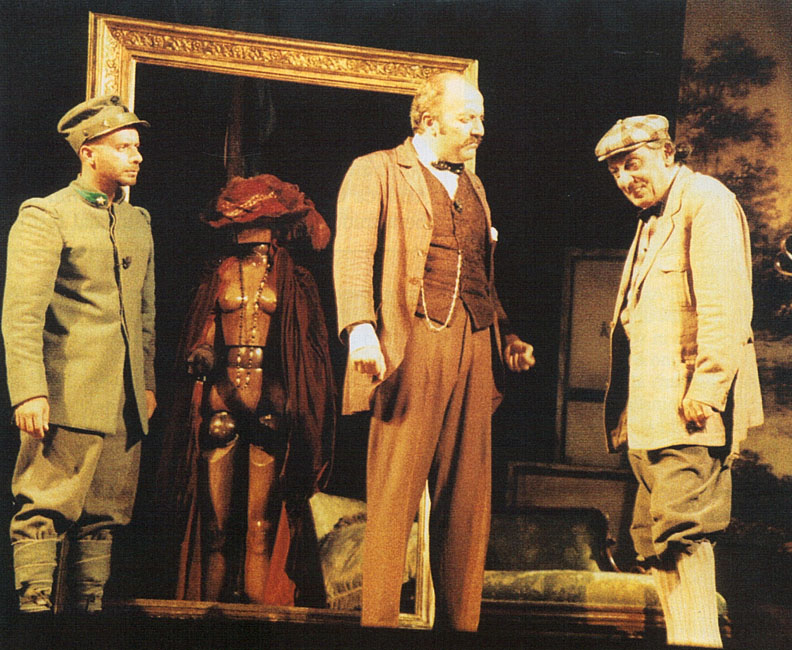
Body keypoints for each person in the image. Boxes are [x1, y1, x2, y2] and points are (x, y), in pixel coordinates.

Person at [333, 71, 535, 631]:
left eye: (481, 118)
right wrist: (360, 330)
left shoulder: (475, 186)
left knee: (468, 503)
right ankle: (379, 627)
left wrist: (507, 335)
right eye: (467, 118)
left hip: (475, 344)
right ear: (427, 120)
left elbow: (480, 273)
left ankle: (459, 628)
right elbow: (353, 256)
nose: (480, 129)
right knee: (395, 495)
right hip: (412, 340)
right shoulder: (376, 170)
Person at [597, 115, 763, 647]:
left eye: (634, 163)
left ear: (668, 152)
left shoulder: (705, 200)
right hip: (652, 415)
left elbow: (725, 306)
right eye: (616, 171)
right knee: (655, 542)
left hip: (688, 411)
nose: (626, 179)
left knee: (684, 535)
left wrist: (707, 390)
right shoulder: (652, 218)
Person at [2, 95, 157, 613]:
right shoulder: (47, 215)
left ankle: (87, 616)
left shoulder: (137, 222)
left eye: (137, 146)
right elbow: (21, 314)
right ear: (89, 153)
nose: (137, 156)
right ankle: (34, 614)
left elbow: (145, 316)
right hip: (66, 395)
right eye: (124, 147)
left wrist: (146, 384)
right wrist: (29, 391)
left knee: (104, 517)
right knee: (43, 510)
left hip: (123, 404)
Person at [159, 173, 334, 606]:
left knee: (261, 527)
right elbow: (205, 328)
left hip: (269, 403)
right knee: (215, 527)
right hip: (221, 402)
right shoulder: (219, 274)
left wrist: (290, 392)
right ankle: (205, 615)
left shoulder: (292, 280)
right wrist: (202, 351)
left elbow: (302, 345)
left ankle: (260, 617)